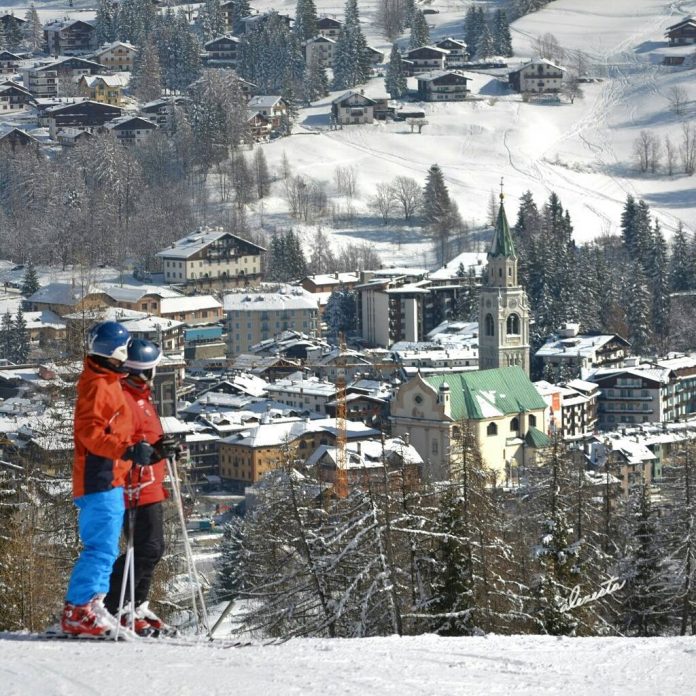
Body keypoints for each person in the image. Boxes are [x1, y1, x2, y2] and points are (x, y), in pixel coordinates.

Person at [62, 321, 155, 637]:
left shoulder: (109, 380)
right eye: (126, 348)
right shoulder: (99, 385)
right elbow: (90, 433)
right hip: (97, 476)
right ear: (116, 351)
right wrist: (128, 449)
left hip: (111, 475)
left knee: (106, 547)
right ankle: (79, 608)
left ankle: (92, 603)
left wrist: (140, 450)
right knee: (100, 547)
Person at [104, 339, 177, 637]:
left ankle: (135, 604)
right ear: (146, 370)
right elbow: (124, 442)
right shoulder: (125, 400)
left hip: (150, 483)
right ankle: (116, 606)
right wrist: (141, 452)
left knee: (153, 548)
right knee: (143, 548)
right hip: (134, 484)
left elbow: (146, 441)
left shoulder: (142, 398)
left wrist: (163, 450)